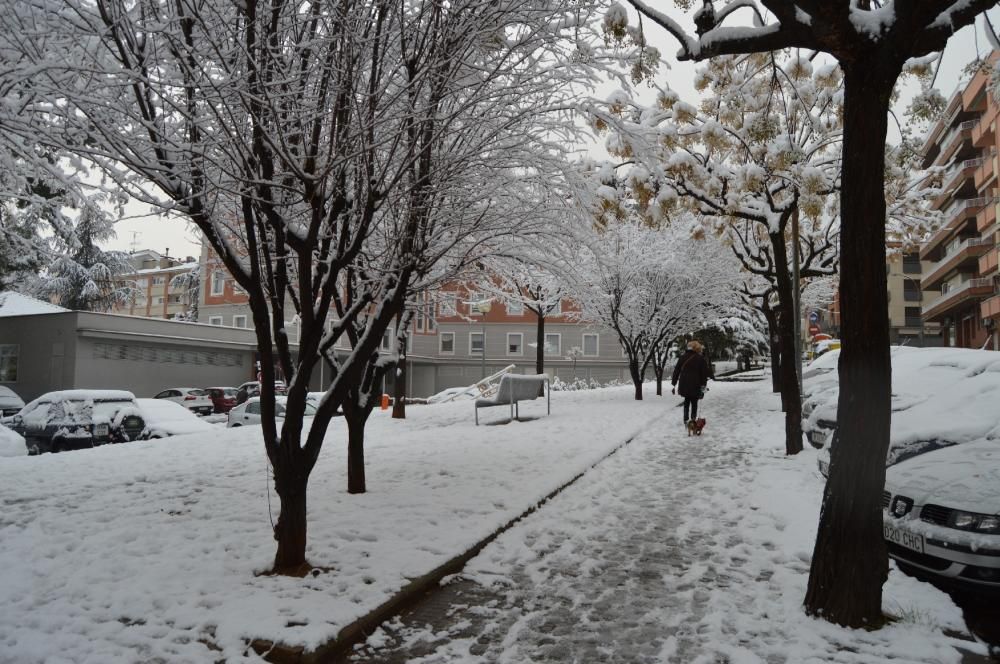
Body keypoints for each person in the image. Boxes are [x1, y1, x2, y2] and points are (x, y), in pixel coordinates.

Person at [671, 339, 710, 426]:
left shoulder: (682, 357)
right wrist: (703, 386)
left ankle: (686, 420)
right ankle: (693, 419)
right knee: (694, 402)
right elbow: (704, 374)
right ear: (697, 348)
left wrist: (674, 383)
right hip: (696, 384)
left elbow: (676, 371)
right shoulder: (700, 359)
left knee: (686, 401)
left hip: (684, 383)